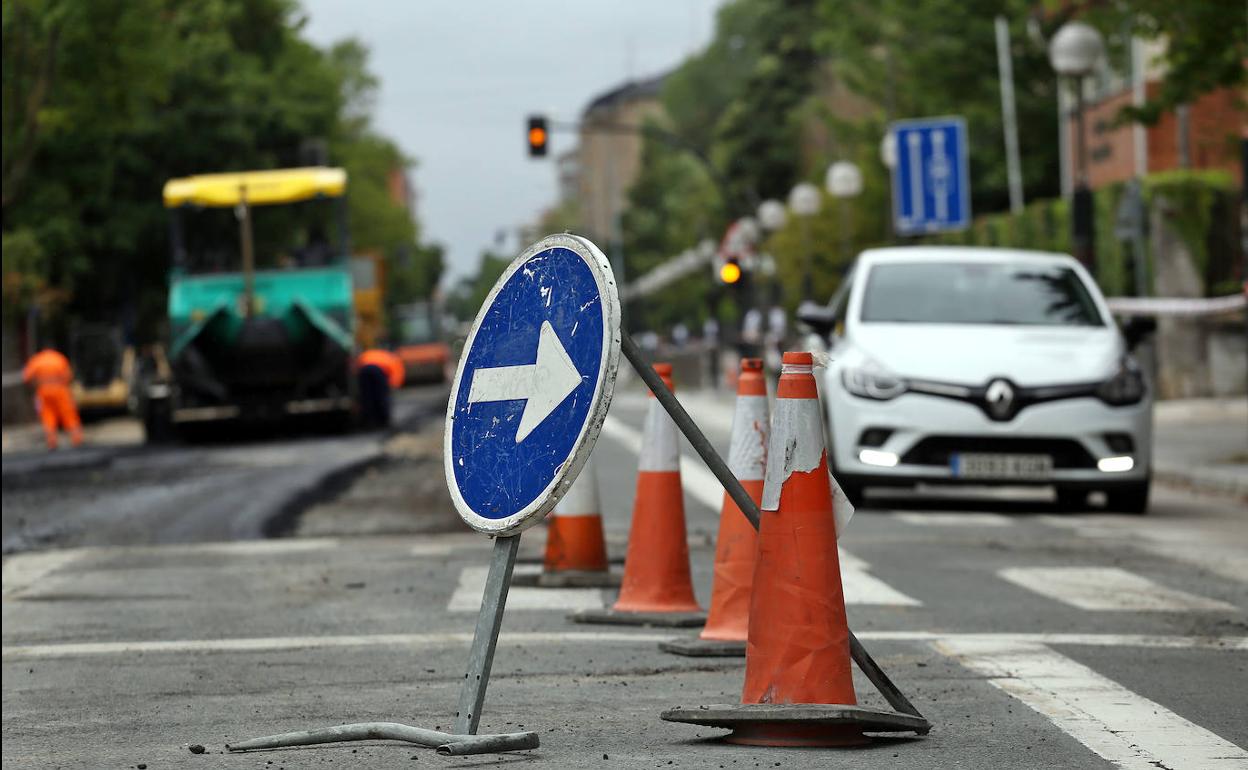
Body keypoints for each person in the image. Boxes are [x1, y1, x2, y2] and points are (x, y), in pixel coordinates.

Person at [22, 348, 83, 450]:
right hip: (60, 390)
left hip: (43, 391)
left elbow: (27, 377)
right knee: (68, 414)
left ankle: (52, 442)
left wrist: (36, 385)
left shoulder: (36, 360)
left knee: (47, 416)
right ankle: (76, 439)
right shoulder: (59, 358)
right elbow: (68, 375)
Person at [356, 348, 404, 428]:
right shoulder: (395, 361)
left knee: (367, 396)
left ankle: (368, 420)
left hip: (364, 369)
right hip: (377, 370)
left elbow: (358, 363)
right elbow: (396, 377)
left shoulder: (376, 354)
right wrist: (391, 387)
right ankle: (383, 419)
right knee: (381, 396)